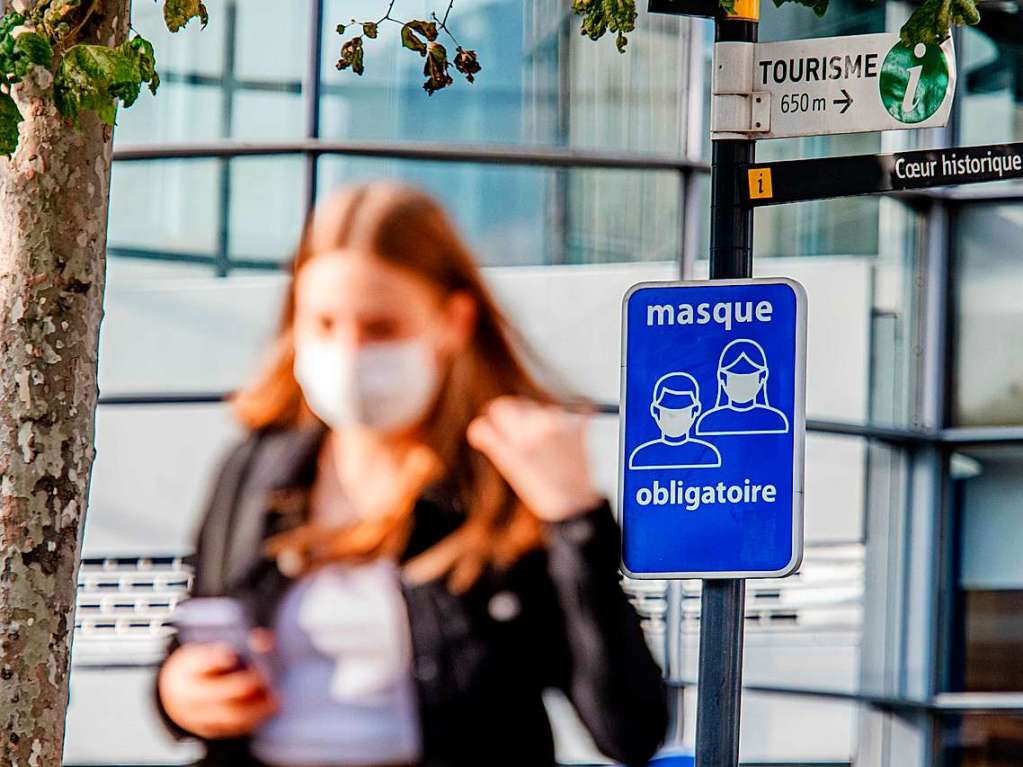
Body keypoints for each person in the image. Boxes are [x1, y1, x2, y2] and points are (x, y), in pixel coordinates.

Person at [154, 181, 668, 767]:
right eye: (322, 324)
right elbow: (195, 636)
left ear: (453, 322)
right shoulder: (255, 466)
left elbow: (629, 727)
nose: (348, 354)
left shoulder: (504, 480)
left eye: (381, 328)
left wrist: (574, 518)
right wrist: (181, 693)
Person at [628, 371, 721, 470]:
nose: (676, 419)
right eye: (670, 414)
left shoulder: (707, 455)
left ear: (695, 410)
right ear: (655, 411)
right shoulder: (641, 457)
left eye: (683, 412)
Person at [696, 339, 789, 436]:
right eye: (735, 374)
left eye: (749, 374)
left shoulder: (775, 420)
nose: (742, 380)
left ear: (762, 376)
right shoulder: (708, 422)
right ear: (722, 377)